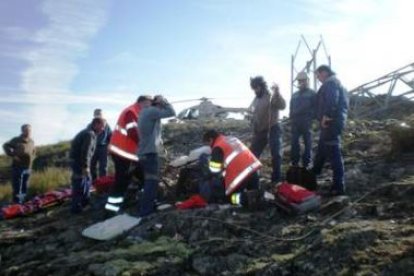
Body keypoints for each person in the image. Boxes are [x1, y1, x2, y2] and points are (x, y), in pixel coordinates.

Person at [105, 95, 153, 214]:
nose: (150, 106)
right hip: (122, 153)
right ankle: (111, 210)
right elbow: (132, 132)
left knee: (144, 177)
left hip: (130, 155)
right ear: (142, 102)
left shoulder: (139, 113)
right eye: (149, 104)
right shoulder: (131, 112)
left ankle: (146, 201)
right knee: (121, 181)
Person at [198, 129, 262, 207]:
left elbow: (214, 170)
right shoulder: (232, 139)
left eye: (208, 144)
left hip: (241, 175)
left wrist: (206, 177)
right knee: (255, 193)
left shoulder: (217, 146)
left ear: (211, 139)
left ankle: (245, 198)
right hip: (254, 170)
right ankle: (258, 196)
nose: (209, 147)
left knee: (230, 198)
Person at [312, 65, 349, 195]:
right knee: (322, 150)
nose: (317, 78)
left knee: (334, 153)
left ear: (325, 73)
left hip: (330, 123)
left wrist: (326, 116)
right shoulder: (336, 83)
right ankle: (312, 175)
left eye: (318, 74)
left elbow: (332, 100)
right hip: (332, 122)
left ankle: (338, 186)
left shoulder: (331, 83)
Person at [138, 95, 175, 217]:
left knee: (148, 181)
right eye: (151, 100)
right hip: (150, 153)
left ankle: (146, 206)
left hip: (143, 153)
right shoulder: (150, 111)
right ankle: (146, 211)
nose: (153, 102)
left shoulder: (143, 113)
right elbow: (171, 112)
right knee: (151, 181)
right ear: (145, 102)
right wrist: (164, 101)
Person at [249, 76, 286, 183]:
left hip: (273, 128)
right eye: (253, 88)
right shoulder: (255, 100)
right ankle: (253, 178)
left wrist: (277, 93)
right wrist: (254, 129)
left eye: (256, 88)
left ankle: (276, 179)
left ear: (261, 86)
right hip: (260, 131)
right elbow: (254, 115)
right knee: (252, 154)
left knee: (276, 154)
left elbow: (282, 106)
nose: (255, 90)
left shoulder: (270, 96)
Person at [69, 117, 105, 214]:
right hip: (79, 162)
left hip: (77, 161)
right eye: (102, 127)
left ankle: (85, 203)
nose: (103, 129)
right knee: (80, 184)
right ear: (96, 124)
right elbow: (86, 152)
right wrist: (86, 166)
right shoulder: (90, 134)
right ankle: (77, 208)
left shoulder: (87, 132)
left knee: (87, 180)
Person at [2, 124, 36, 204]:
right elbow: (5, 146)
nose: (28, 132)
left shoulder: (31, 141)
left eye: (29, 130)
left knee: (25, 185)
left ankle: (23, 202)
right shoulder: (16, 139)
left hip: (28, 167)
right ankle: (16, 204)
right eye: (26, 130)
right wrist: (13, 155)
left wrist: (33, 157)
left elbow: (34, 151)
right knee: (17, 187)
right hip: (18, 167)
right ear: (22, 131)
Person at [289, 71, 317, 168]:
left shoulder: (312, 94)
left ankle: (307, 163)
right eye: (300, 81)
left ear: (307, 81)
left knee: (308, 143)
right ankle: (294, 163)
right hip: (296, 122)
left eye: (303, 80)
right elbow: (291, 108)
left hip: (306, 121)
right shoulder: (294, 95)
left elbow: (316, 107)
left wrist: (310, 117)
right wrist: (291, 117)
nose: (301, 82)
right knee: (294, 142)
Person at [89, 109, 112, 181]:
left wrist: (109, 146)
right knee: (92, 166)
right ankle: (93, 182)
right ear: (94, 115)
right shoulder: (90, 125)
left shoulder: (107, 125)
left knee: (103, 167)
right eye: (97, 114)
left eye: (100, 114)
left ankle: (103, 182)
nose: (98, 115)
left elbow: (110, 136)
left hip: (103, 147)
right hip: (93, 147)